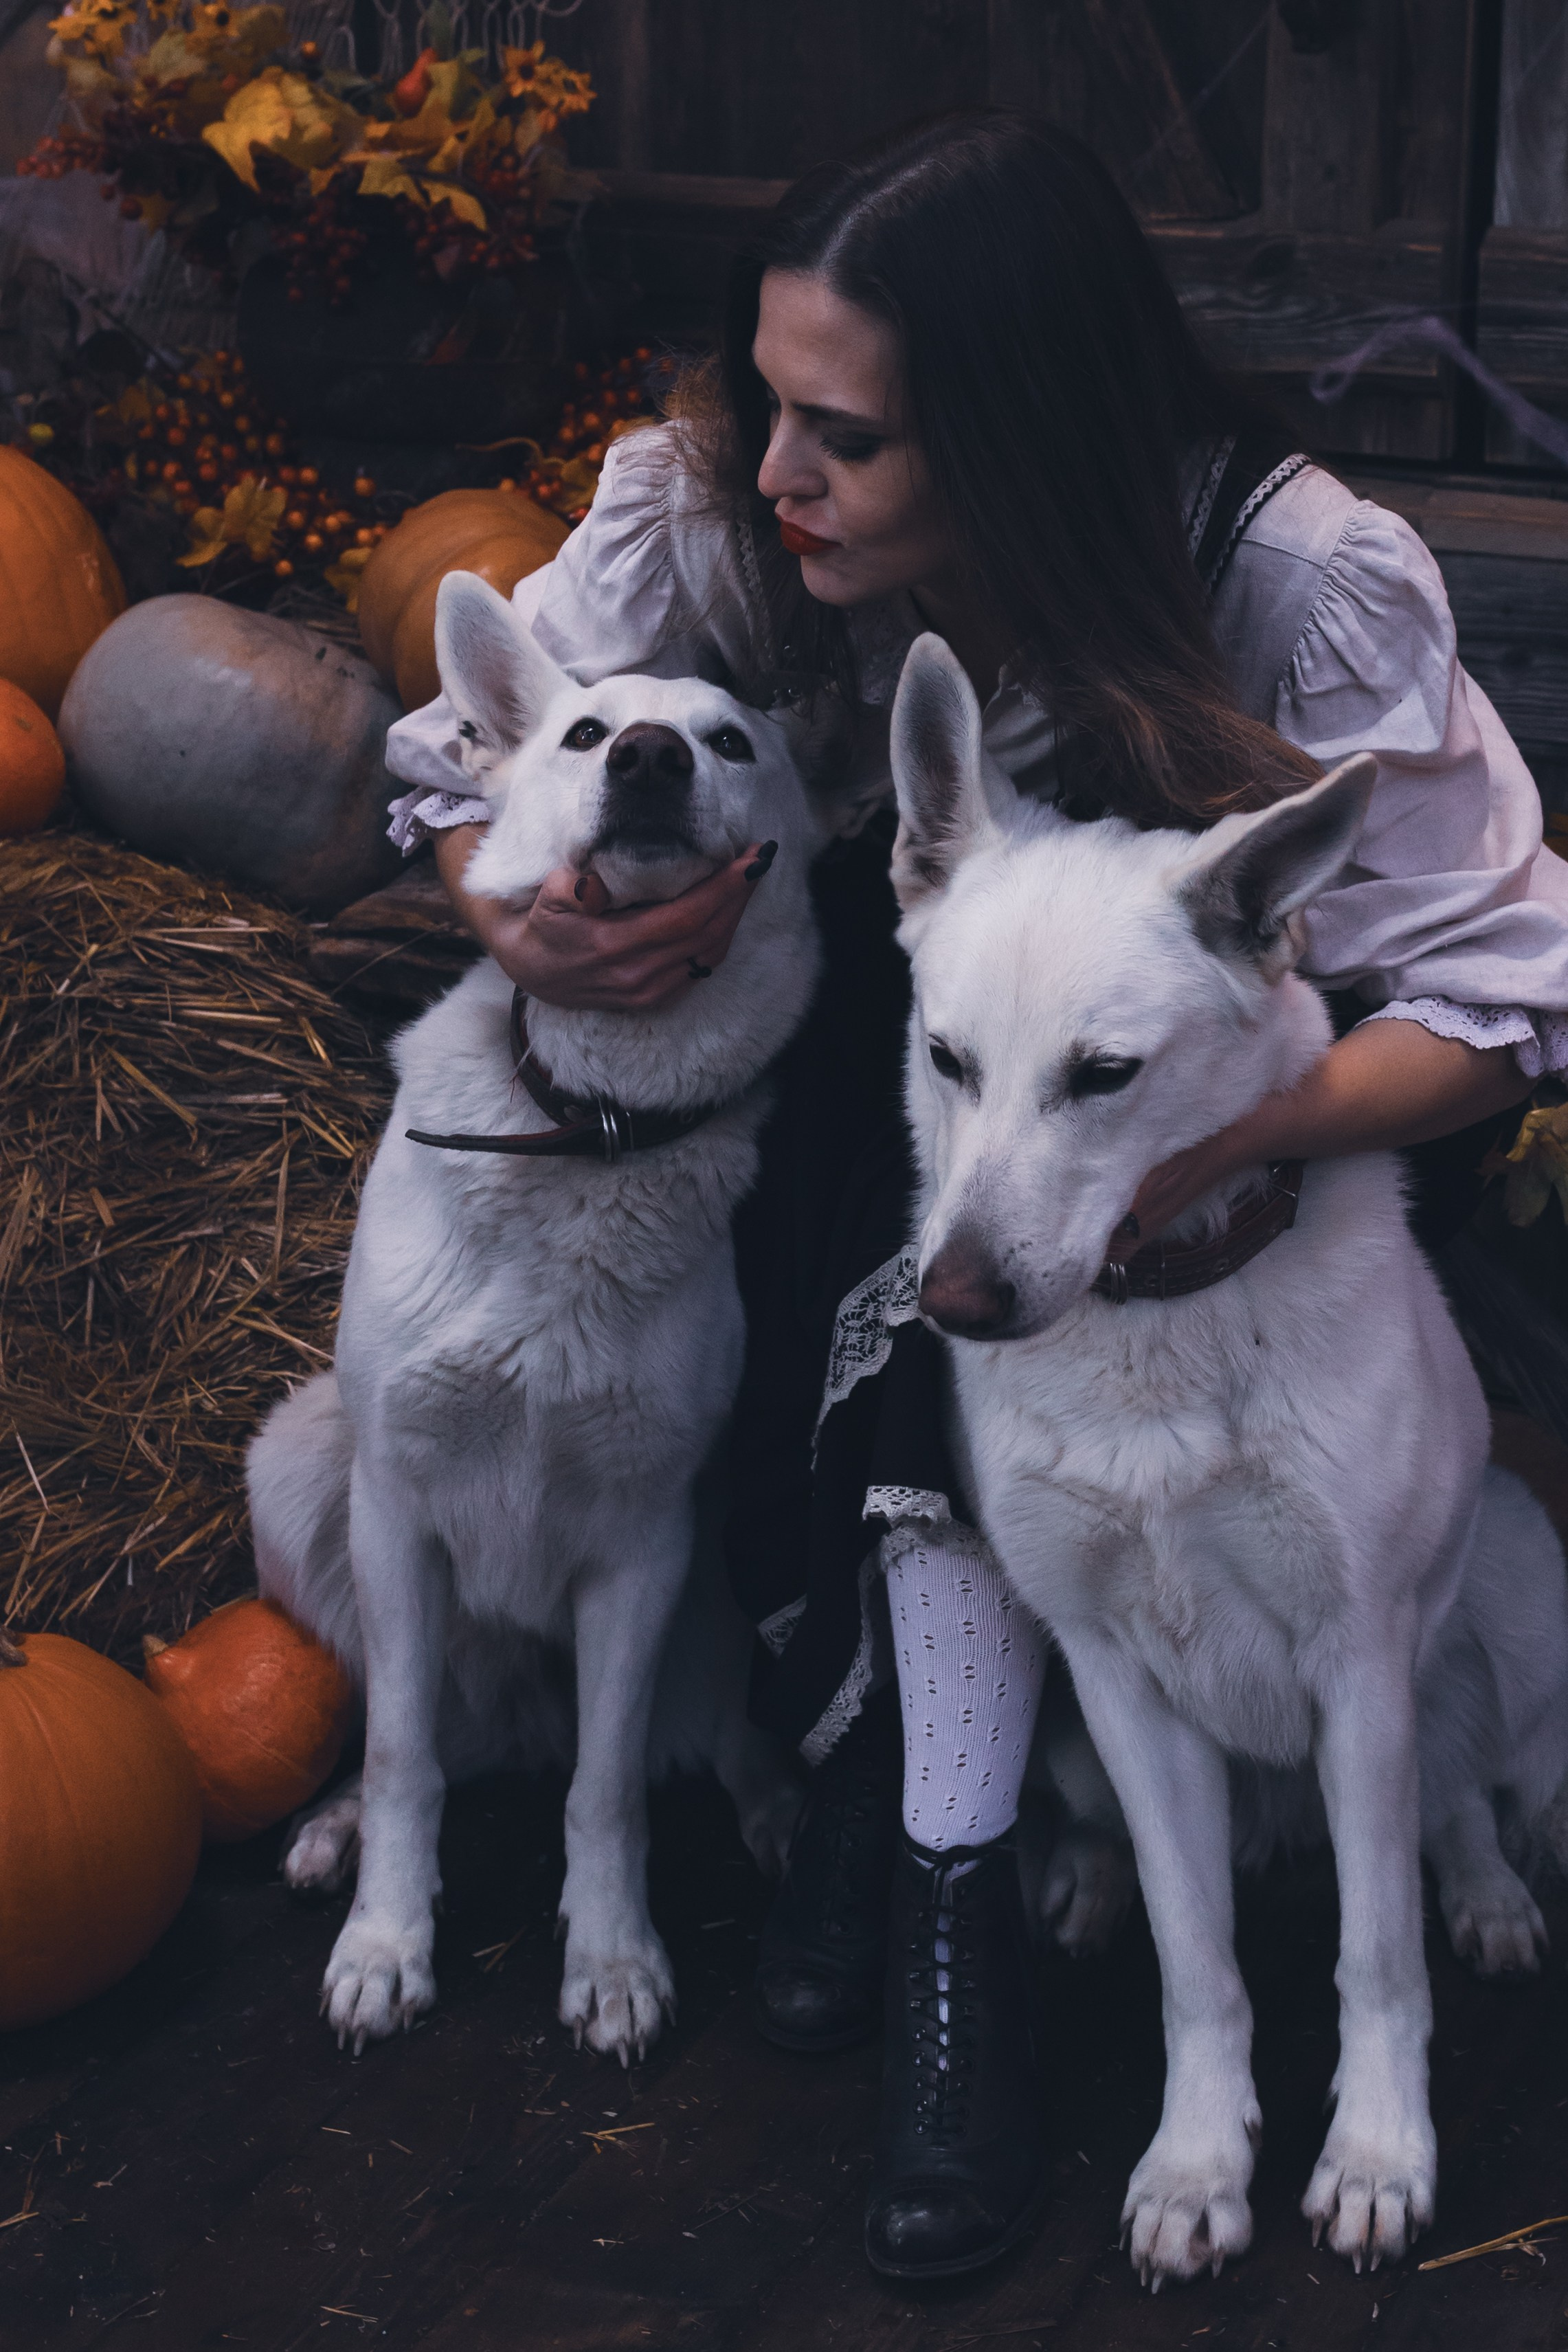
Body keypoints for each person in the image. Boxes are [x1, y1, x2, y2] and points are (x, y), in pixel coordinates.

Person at [383, 112, 1568, 2281]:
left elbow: (1504, 1003)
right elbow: (473, 748)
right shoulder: (721, 520)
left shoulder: (1295, 577)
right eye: (763, 403)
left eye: (843, 434)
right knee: (889, 1135)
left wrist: (1185, 1140)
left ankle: (968, 1858)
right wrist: (517, 912)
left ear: (1017, 437)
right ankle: (916, 1815)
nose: (772, 476)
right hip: (928, 1071)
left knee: (1009, 1195)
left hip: (1263, 1110)